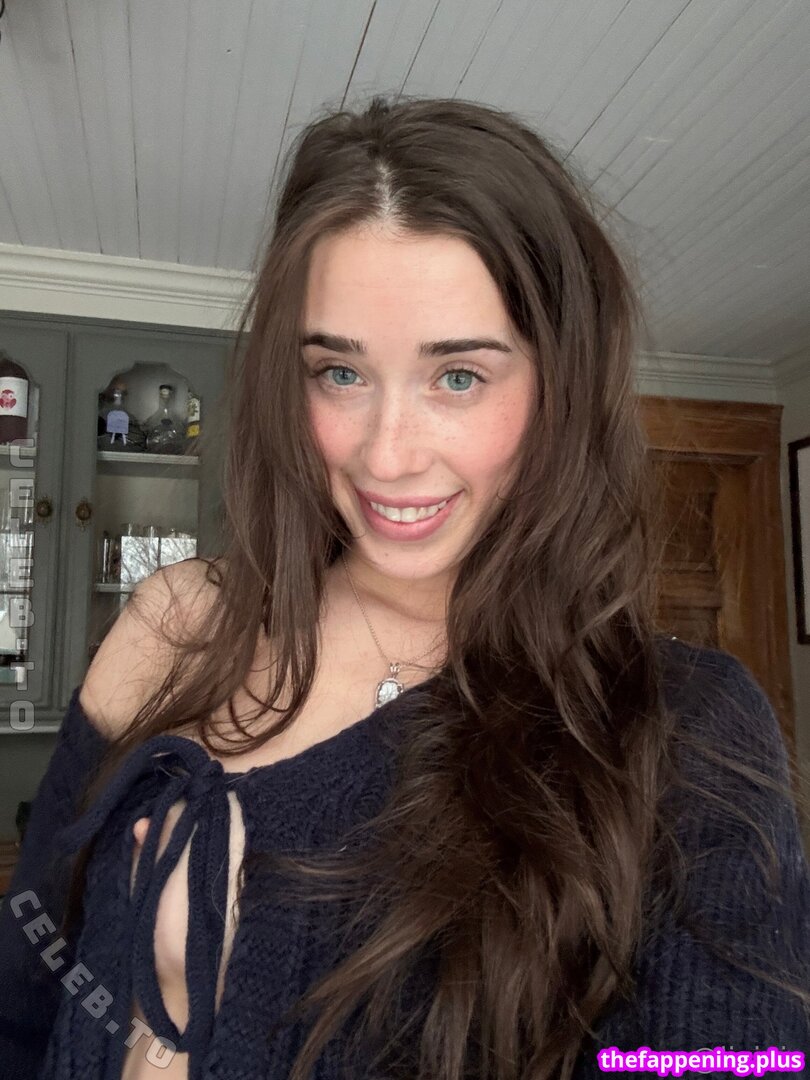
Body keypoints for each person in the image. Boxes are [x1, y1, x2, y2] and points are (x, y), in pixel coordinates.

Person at [0, 94, 808, 1080]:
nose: (386, 455)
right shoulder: (176, 627)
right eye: (339, 373)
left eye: (457, 376)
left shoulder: (684, 726)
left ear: (562, 385)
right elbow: (27, 986)